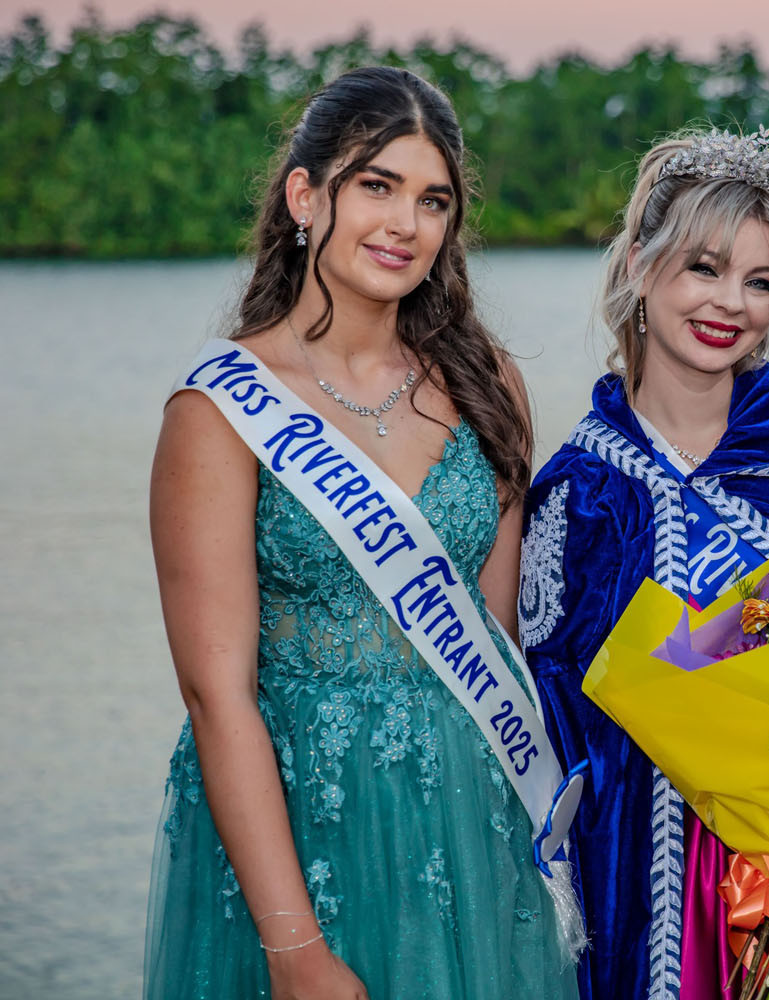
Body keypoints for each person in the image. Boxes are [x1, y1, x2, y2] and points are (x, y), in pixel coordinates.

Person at [144, 66, 579, 1000]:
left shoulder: (485, 383)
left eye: (433, 200)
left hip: (472, 816)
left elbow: (493, 636)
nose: (404, 224)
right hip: (302, 831)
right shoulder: (218, 410)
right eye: (375, 185)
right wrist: (294, 948)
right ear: (306, 196)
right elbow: (215, 695)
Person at [517, 127, 769, 1000]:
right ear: (641, 262)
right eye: (705, 268)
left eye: (760, 280)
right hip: (643, 876)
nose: (731, 304)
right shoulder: (577, 493)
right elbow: (553, 721)